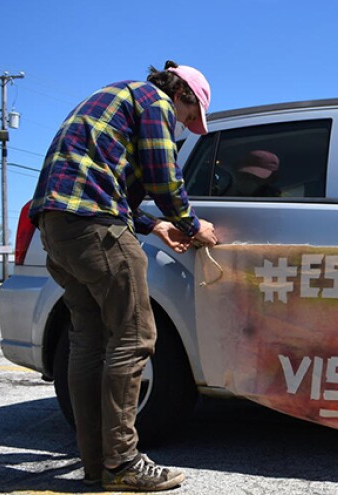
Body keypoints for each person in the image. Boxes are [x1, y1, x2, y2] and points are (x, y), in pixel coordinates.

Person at [29, 60, 218, 491]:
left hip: (58, 227)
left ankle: (97, 463)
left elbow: (104, 182)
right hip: (96, 225)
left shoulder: (115, 98)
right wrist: (192, 224)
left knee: (89, 341)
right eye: (190, 117)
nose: (186, 127)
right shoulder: (153, 102)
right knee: (135, 338)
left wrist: (155, 225)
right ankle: (123, 462)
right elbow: (163, 175)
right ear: (183, 94)